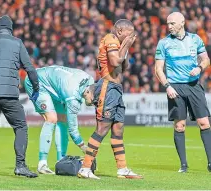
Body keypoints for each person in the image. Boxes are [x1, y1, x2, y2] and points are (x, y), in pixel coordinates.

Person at [77, 19, 143, 179]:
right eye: (129, 34)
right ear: (120, 31)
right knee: (102, 128)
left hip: (117, 89)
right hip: (107, 88)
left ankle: (122, 168)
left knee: (118, 129)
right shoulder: (110, 39)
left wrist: (126, 49)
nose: (131, 37)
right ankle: (85, 168)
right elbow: (114, 62)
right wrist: (125, 46)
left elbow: (124, 66)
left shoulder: (118, 44)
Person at [155, 12, 211, 173]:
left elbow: (206, 59)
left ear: (182, 23)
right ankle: (184, 165)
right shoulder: (163, 43)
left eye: (172, 23)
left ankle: (210, 163)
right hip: (175, 88)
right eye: (168, 23)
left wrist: (199, 67)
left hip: (194, 86)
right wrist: (167, 86)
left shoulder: (195, 39)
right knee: (179, 126)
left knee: (204, 123)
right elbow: (158, 69)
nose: (169, 26)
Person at [0, 15, 39, 178]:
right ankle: (20, 166)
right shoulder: (17, 43)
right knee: (21, 127)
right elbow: (30, 69)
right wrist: (36, 88)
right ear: (10, 30)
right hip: (9, 95)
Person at [24, 65, 94, 174]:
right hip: (36, 81)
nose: (94, 103)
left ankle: (61, 160)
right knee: (51, 118)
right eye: (94, 99)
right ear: (88, 92)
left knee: (62, 120)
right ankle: (42, 164)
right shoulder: (72, 97)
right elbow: (73, 130)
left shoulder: (90, 80)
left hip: (54, 85)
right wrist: (84, 147)